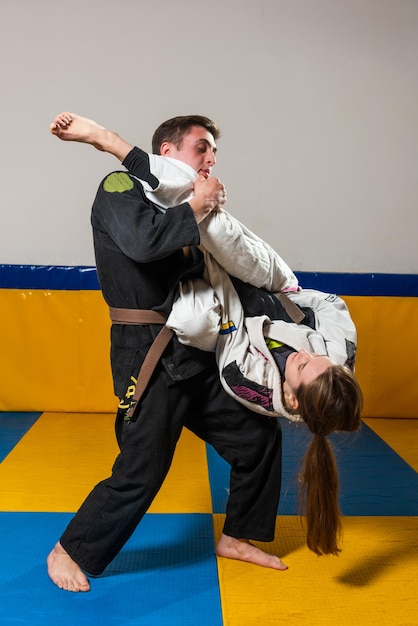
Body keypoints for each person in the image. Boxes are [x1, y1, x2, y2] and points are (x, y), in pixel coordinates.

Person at [47, 112, 362, 592]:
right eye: (202, 148)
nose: (211, 159)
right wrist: (195, 207)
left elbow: (232, 267)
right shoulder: (119, 185)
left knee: (256, 440)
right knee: (144, 467)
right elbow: (143, 244)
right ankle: (71, 549)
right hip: (148, 350)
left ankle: (239, 535)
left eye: (214, 152)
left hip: (203, 350)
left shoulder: (196, 206)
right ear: (167, 154)